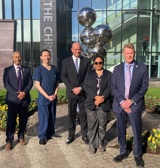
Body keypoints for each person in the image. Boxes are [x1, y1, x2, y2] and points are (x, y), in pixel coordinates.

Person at [111, 43, 149, 167]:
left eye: (131, 53)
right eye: (127, 53)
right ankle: (123, 151)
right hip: (120, 105)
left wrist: (131, 101)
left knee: (136, 131)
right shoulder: (117, 69)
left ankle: (137, 155)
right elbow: (114, 87)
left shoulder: (142, 68)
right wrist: (122, 102)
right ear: (123, 54)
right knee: (121, 130)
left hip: (135, 105)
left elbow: (144, 87)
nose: (129, 55)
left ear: (134, 53)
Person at [61, 42, 91, 144]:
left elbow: (88, 77)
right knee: (71, 115)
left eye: (79, 49)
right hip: (71, 92)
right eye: (76, 49)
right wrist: (73, 88)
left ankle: (85, 135)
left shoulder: (86, 61)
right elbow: (63, 76)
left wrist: (81, 88)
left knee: (83, 114)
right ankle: (71, 135)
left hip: (82, 93)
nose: (77, 51)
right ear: (72, 49)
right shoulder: (66, 61)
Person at [3, 51, 33, 150]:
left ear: (22, 58)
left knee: (23, 120)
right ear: (12, 58)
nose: (18, 59)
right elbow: (6, 84)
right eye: (16, 57)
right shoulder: (7, 70)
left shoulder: (27, 70)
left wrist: (24, 92)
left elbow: (30, 83)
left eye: (19, 57)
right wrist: (16, 94)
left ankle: (21, 137)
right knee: (11, 121)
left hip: (24, 99)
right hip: (13, 99)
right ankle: (9, 140)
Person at [83, 56, 112, 154]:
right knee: (92, 125)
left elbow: (110, 87)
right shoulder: (89, 74)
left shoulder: (108, 74)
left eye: (100, 63)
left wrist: (102, 97)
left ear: (103, 63)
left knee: (102, 125)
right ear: (94, 64)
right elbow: (86, 87)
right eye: (96, 63)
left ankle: (100, 143)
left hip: (104, 103)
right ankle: (92, 144)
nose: (98, 65)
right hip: (91, 103)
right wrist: (95, 97)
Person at [32, 49, 60, 145]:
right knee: (44, 117)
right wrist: (47, 96)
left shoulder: (54, 69)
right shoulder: (38, 70)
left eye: (48, 55)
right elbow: (37, 85)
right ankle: (42, 136)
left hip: (53, 97)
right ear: (41, 57)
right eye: (44, 55)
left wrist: (55, 94)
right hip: (44, 98)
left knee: (52, 116)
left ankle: (50, 133)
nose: (47, 57)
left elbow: (57, 83)